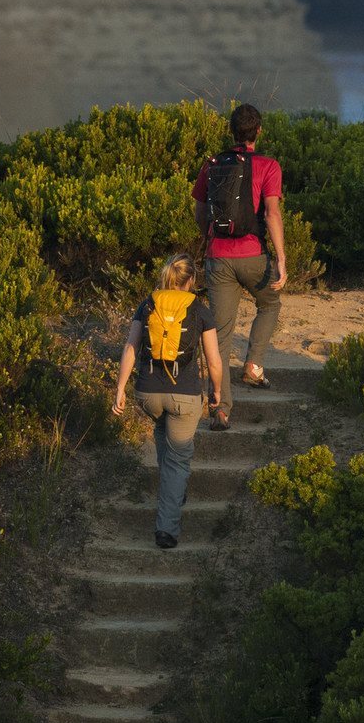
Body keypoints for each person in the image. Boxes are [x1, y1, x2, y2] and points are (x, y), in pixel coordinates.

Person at [111, 254, 225, 549]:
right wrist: (217, 393)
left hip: (148, 393)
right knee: (178, 459)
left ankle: (174, 493)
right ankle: (167, 530)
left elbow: (131, 347)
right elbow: (214, 361)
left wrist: (121, 388)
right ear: (190, 281)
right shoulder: (199, 309)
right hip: (185, 395)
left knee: (163, 436)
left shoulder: (148, 304)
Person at [194, 101, 287, 396]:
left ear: (232, 131)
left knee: (219, 336)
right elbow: (272, 214)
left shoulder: (211, 165)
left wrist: (210, 240)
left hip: (218, 257)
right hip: (254, 256)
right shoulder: (268, 166)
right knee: (270, 303)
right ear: (258, 131)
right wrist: (281, 259)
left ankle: (220, 409)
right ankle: (253, 366)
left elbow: (198, 211)